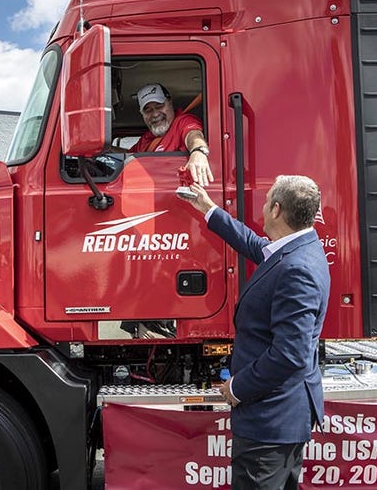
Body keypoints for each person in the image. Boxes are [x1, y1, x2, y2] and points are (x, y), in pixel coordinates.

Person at [179, 176, 330, 489]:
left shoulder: (296, 267)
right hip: (281, 417)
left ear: (276, 210)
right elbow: (254, 244)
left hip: (271, 422)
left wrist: (238, 387)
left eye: (266, 201)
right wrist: (208, 209)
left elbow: (290, 354)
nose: (261, 208)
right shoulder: (299, 248)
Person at [129, 83, 213, 186]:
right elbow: (127, 157)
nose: (155, 114)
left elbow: (194, 135)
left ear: (170, 103)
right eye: (148, 110)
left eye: (159, 106)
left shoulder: (183, 122)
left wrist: (198, 151)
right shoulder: (147, 138)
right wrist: (107, 148)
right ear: (142, 114)